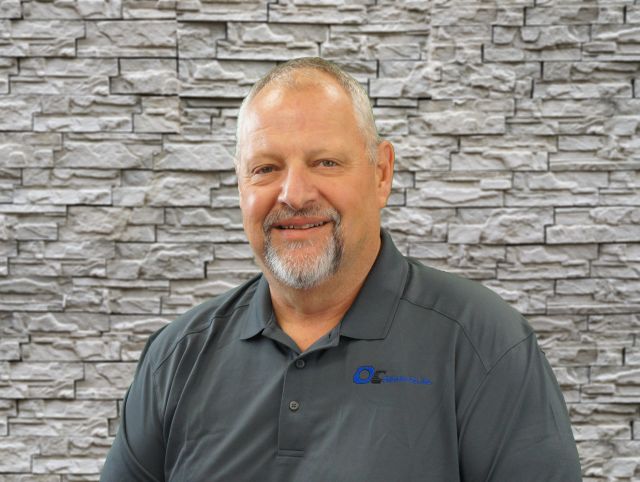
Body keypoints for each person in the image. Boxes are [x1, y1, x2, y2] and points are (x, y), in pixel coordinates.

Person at [100, 57, 582, 481]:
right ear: (240, 183)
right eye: (266, 168)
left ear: (381, 174)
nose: (294, 194)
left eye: (325, 162)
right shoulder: (175, 358)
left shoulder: (484, 346)